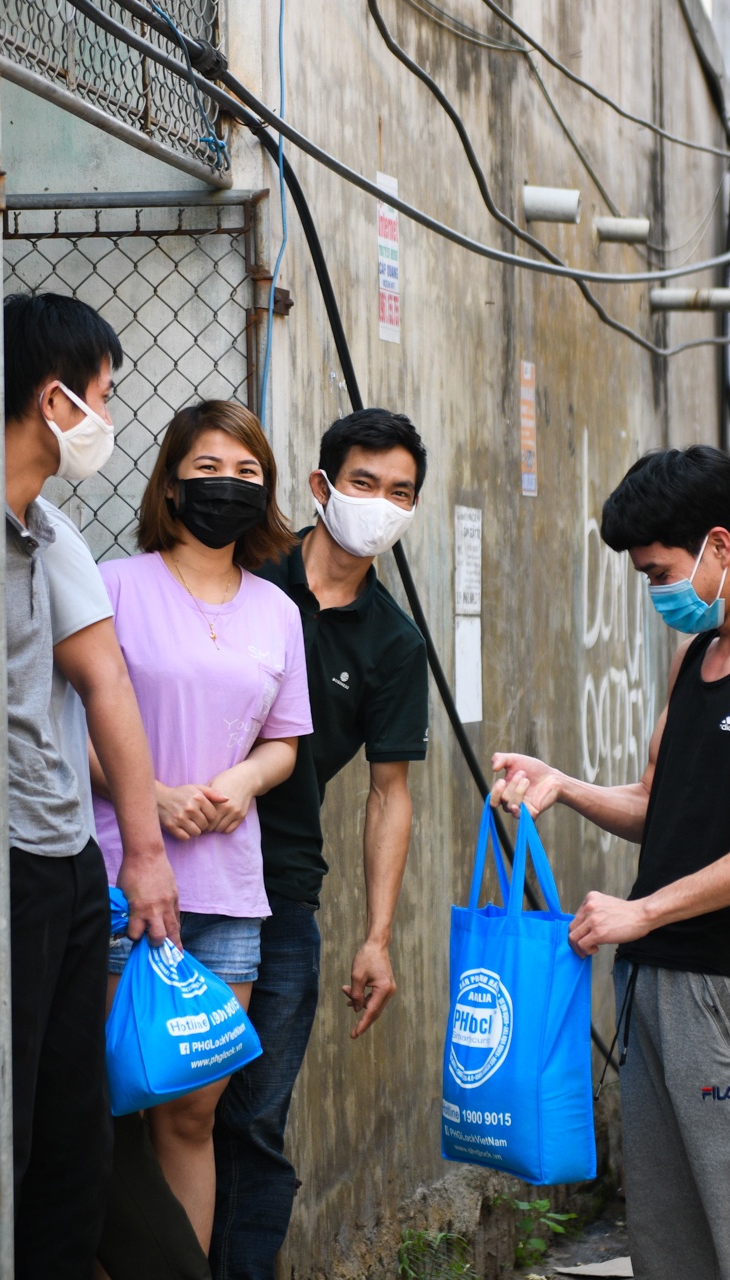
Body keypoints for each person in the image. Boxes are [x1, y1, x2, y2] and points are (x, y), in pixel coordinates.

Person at [491, 445, 730, 1280]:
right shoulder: (697, 656)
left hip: (726, 991)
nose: (655, 590)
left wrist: (646, 910)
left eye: (659, 570)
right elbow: (664, 808)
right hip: (649, 978)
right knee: (666, 1241)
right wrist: (567, 787)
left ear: (720, 547)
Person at [209, 409, 431, 1279]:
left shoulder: (394, 643)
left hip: (281, 890)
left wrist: (376, 936)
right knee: (150, 1103)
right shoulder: (243, 570)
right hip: (167, 865)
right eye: (365, 484)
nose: (380, 504)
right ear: (322, 487)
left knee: (255, 1117)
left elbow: (389, 793)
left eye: (400, 492)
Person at [91, 399, 313, 1255]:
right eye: (209, 470)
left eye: (248, 473)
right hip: (123, 881)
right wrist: (157, 794)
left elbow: (285, 743)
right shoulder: (112, 587)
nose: (228, 487)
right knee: (119, 1104)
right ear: (171, 483)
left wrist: (238, 781)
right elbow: (71, 729)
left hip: (227, 889)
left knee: (193, 1114)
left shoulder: (276, 610)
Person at [2, 291, 179, 1279]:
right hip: (5, 865)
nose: (106, 418)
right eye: (103, 394)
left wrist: (141, 856)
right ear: (54, 397)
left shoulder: (55, 532)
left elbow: (106, 679)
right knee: (15, 1122)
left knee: (76, 1130)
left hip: (66, 862)